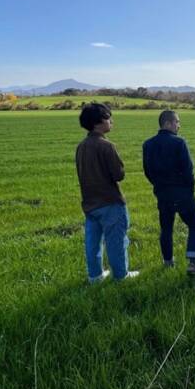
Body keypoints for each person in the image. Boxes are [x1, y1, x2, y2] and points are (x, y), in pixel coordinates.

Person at [75, 103, 138, 283]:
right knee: (116, 241)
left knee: (92, 242)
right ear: (99, 122)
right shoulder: (106, 146)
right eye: (109, 117)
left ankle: (95, 276)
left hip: (89, 203)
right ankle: (121, 276)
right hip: (110, 202)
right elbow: (118, 175)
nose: (112, 121)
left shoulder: (81, 146)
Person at [143, 110, 195, 274]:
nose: (179, 125)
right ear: (168, 123)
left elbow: (147, 171)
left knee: (166, 229)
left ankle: (168, 262)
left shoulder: (147, 144)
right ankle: (192, 264)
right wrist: (189, 189)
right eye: (177, 121)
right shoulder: (179, 143)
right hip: (183, 193)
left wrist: (158, 186)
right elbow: (188, 171)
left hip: (162, 194)